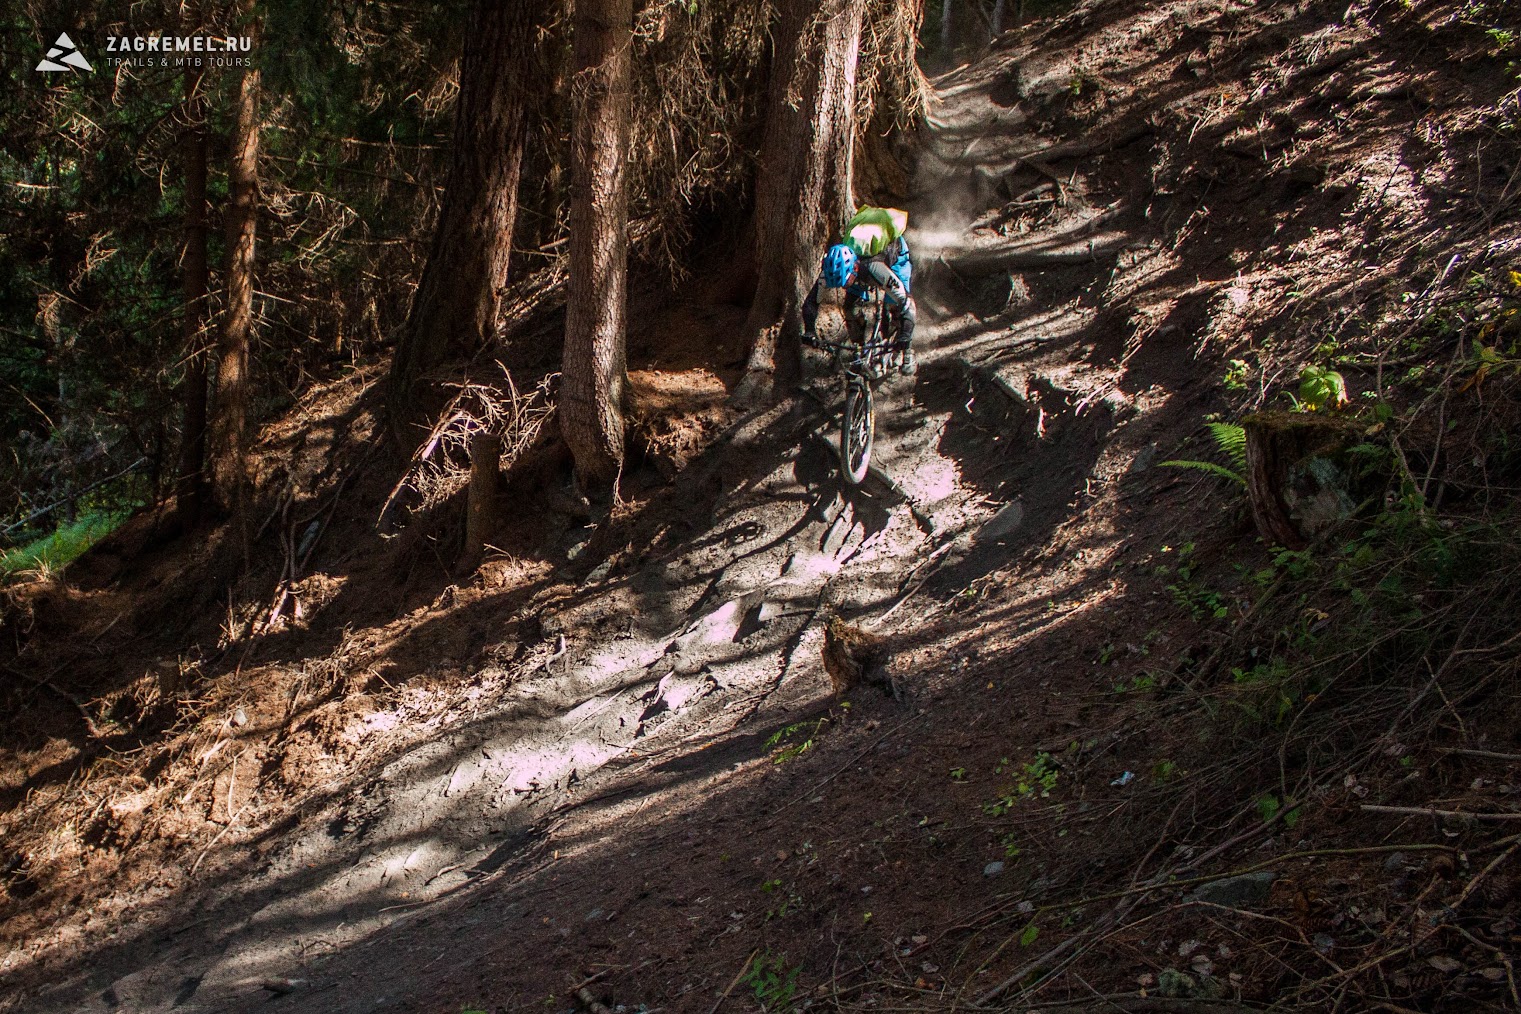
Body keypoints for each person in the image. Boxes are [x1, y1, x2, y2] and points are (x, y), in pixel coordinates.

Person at [801, 206, 918, 376]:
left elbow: (907, 302)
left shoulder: (875, 269)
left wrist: (905, 336)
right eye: (839, 284)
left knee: (895, 306)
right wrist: (810, 331)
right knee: (850, 309)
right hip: (859, 272)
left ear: (854, 268)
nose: (842, 287)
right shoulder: (831, 270)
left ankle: (908, 353)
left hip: (896, 257)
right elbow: (811, 302)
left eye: (845, 282)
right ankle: (862, 352)